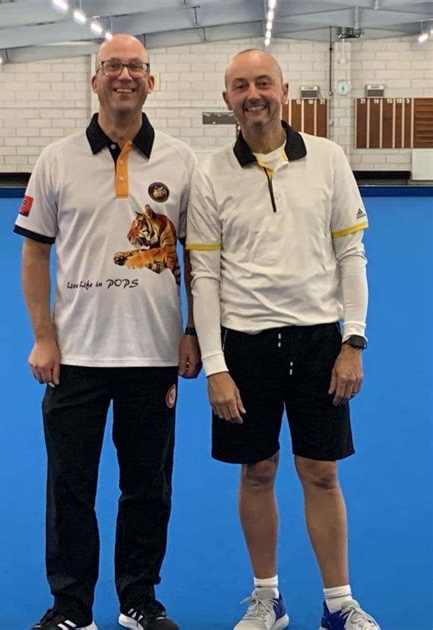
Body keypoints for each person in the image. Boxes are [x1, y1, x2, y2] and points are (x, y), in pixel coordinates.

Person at [186, 49, 380, 630]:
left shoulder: (328, 158)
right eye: (241, 85)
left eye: (263, 83)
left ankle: (339, 604)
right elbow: (204, 275)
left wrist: (353, 340)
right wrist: (216, 366)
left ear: (284, 90)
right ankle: (267, 600)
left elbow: (351, 255)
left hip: (319, 343)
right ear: (227, 99)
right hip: (244, 346)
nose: (254, 95)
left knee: (322, 473)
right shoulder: (208, 173)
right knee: (257, 472)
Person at [14, 34, 200, 630]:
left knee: (148, 488)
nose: (124, 76)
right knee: (70, 487)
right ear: (95, 80)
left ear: (151, 80)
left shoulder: (180, 160)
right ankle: (71, 607)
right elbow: (35, 253)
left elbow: (197, 256)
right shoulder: (56, 158)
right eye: (112, 66)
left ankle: (138, 599)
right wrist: (43, 336)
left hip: (153, 352)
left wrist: (193, 329)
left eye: (135, 67)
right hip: (76, 355)